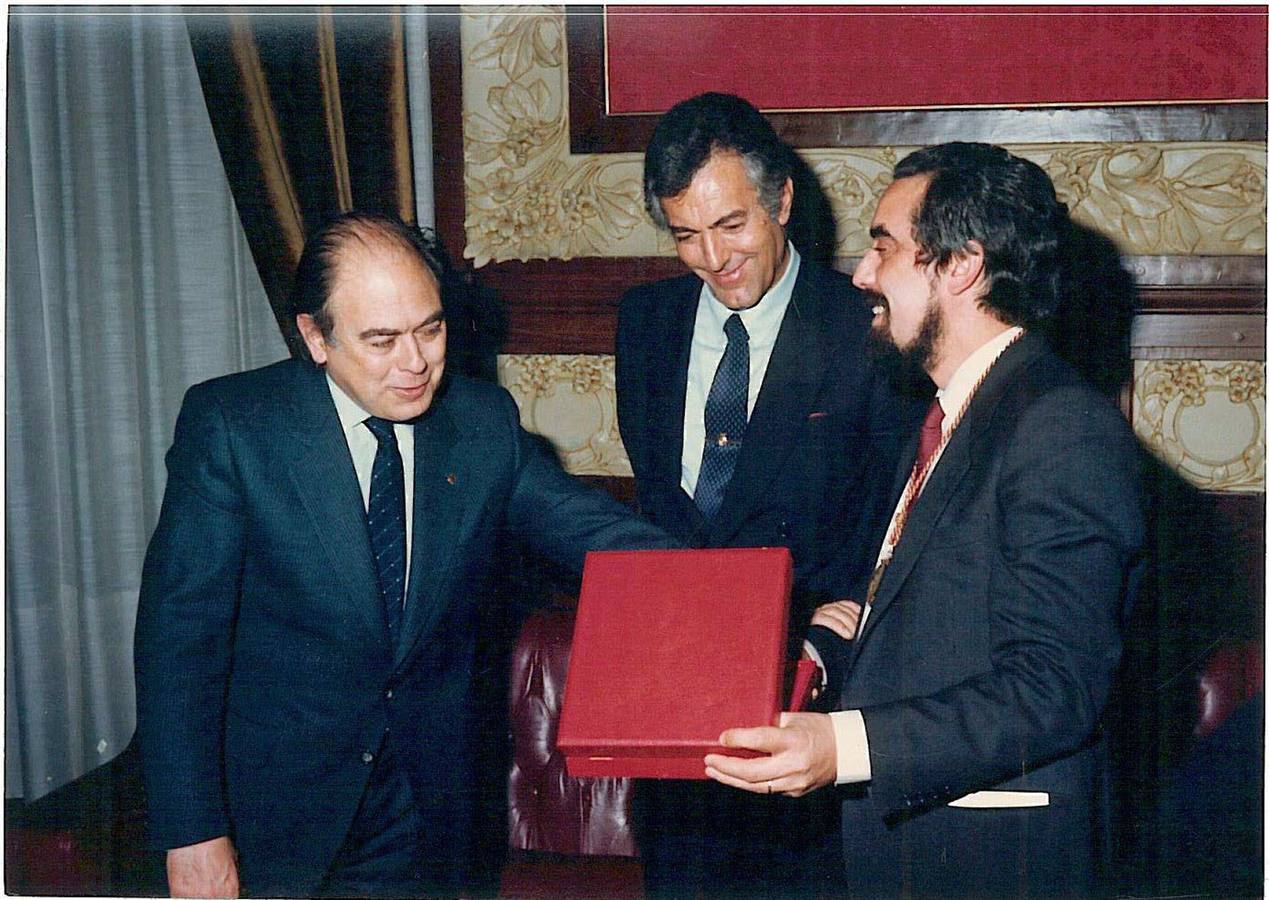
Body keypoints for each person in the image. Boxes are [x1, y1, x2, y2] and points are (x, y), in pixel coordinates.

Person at [133, 212, 674, 898]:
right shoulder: (236, 429)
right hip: (274, 817)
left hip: (427, 813)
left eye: (430, 329)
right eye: (382, 340)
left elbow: (602, 535)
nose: (415, 362)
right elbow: (178, 643)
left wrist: (755, 597)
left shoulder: (482, 424)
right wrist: (192, 832)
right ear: (316, 337)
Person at [704, 142, 1145, 898]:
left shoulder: (1060, 426)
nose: (862, 274)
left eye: (883, 247)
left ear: (961, 265)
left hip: (991, 862)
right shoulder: (952, 416)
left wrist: (842, 746)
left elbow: (1054, 687)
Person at [616, 92, 917, 897]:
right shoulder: (643, 321)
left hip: (807, 717)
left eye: (730, 225)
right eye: (685, 234)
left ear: (781, 200)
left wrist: (827, 639)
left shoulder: (865, 327)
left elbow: (899, 515)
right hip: (676, 725)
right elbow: (660, 515)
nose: (712, 258)